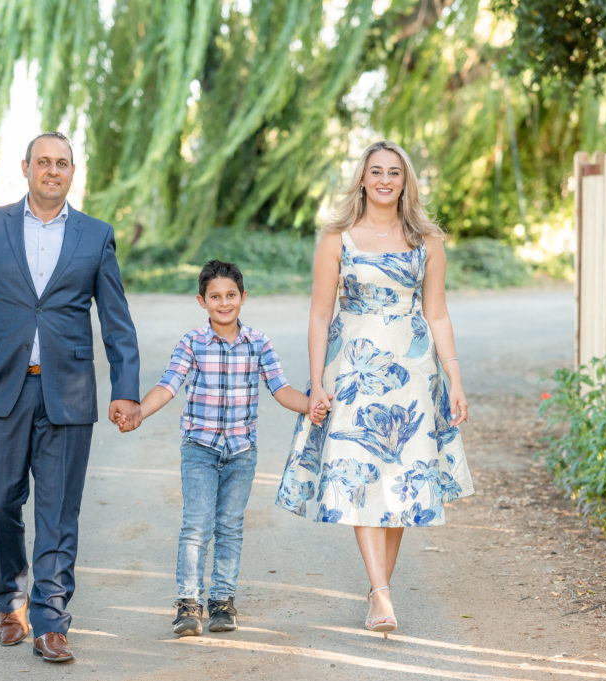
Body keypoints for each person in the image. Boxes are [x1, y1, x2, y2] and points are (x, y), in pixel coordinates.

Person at [0, 131, 142, 663]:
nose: (52, 170)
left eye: (62, 163)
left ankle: (51, 619)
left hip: (69, 392)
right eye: (43, 162)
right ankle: (10, 602)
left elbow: (117, 323)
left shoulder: (95, 236)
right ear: (26, 168)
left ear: (72, 173)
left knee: (58, 508)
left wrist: (126, 390)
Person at [275, 140, 474, 636]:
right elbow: (321, 314)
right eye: (376, 171)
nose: (385, 180)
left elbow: (438, 313)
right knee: (356, 468)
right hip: (353, 370)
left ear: (405, 181)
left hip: (412, 373)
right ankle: (381, 592)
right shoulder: (337, 237)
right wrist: (317, 381)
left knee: (402, 478)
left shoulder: (427, 240)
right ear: (362, 179)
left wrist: (454, 376)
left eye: (394, 172)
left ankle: (378, 586)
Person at [122, 259, 310, 636]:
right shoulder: (192, 343)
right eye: (214, 296)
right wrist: (140, 411)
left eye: (230, 295)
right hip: (200, 448)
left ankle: (222, 602)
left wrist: (313, 406)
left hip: (242, 451)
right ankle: (189, 604)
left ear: (243, 297)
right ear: (201, 301)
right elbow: (168, 384)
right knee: (196, 524)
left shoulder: (258, 342)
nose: (223, 303)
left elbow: (281, 389)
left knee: (230, 526)